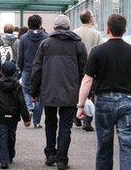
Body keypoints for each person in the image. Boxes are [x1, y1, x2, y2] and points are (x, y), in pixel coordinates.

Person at [76, 14, 131, 170]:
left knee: (104, 147)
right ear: (124, 30)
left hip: (103, 103)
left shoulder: (97, 51)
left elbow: (87, 80)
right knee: (128, 147)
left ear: (108, 29)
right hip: (127, 101)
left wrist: (81, 106)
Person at [31, 15, 87, 170]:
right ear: (68, 27)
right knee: (65, 126)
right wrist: (84, 94)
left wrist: (34, 91)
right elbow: (84, 71)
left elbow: (37, 70)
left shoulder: (45, 44)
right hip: (70, 92)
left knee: (50, 122)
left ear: (55, 28)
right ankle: (62, 160)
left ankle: (50, 155)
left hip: (49, 91)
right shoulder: (78, 45)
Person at [0, 61, 31, 169]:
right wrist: (26, 118)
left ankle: (4, 160)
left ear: (1, 72)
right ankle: (11, 154)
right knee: (11, 135)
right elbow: (22, 102)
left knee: (3, 136)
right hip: (13, 114)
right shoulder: (17, 85)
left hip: (1, 114)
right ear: (14, 73)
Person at [73, 10, 103, 131]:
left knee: (77, 92)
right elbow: (100, 50)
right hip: (92, 68)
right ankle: (87, 120)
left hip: (76, 67)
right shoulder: (96, 34)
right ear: (90, 18)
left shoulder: (75, 33)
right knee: (90, 94)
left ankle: (76, 116)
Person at [18, 15, 48, 128]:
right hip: (42, 71)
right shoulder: (46, 37)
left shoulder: (23, 38)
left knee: (25, 91)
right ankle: (36, 122)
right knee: (40, 95)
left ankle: (29, 108)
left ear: (28, 24)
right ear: (40, 24)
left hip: (27, 69)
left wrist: (20, 69)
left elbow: (20, 56)